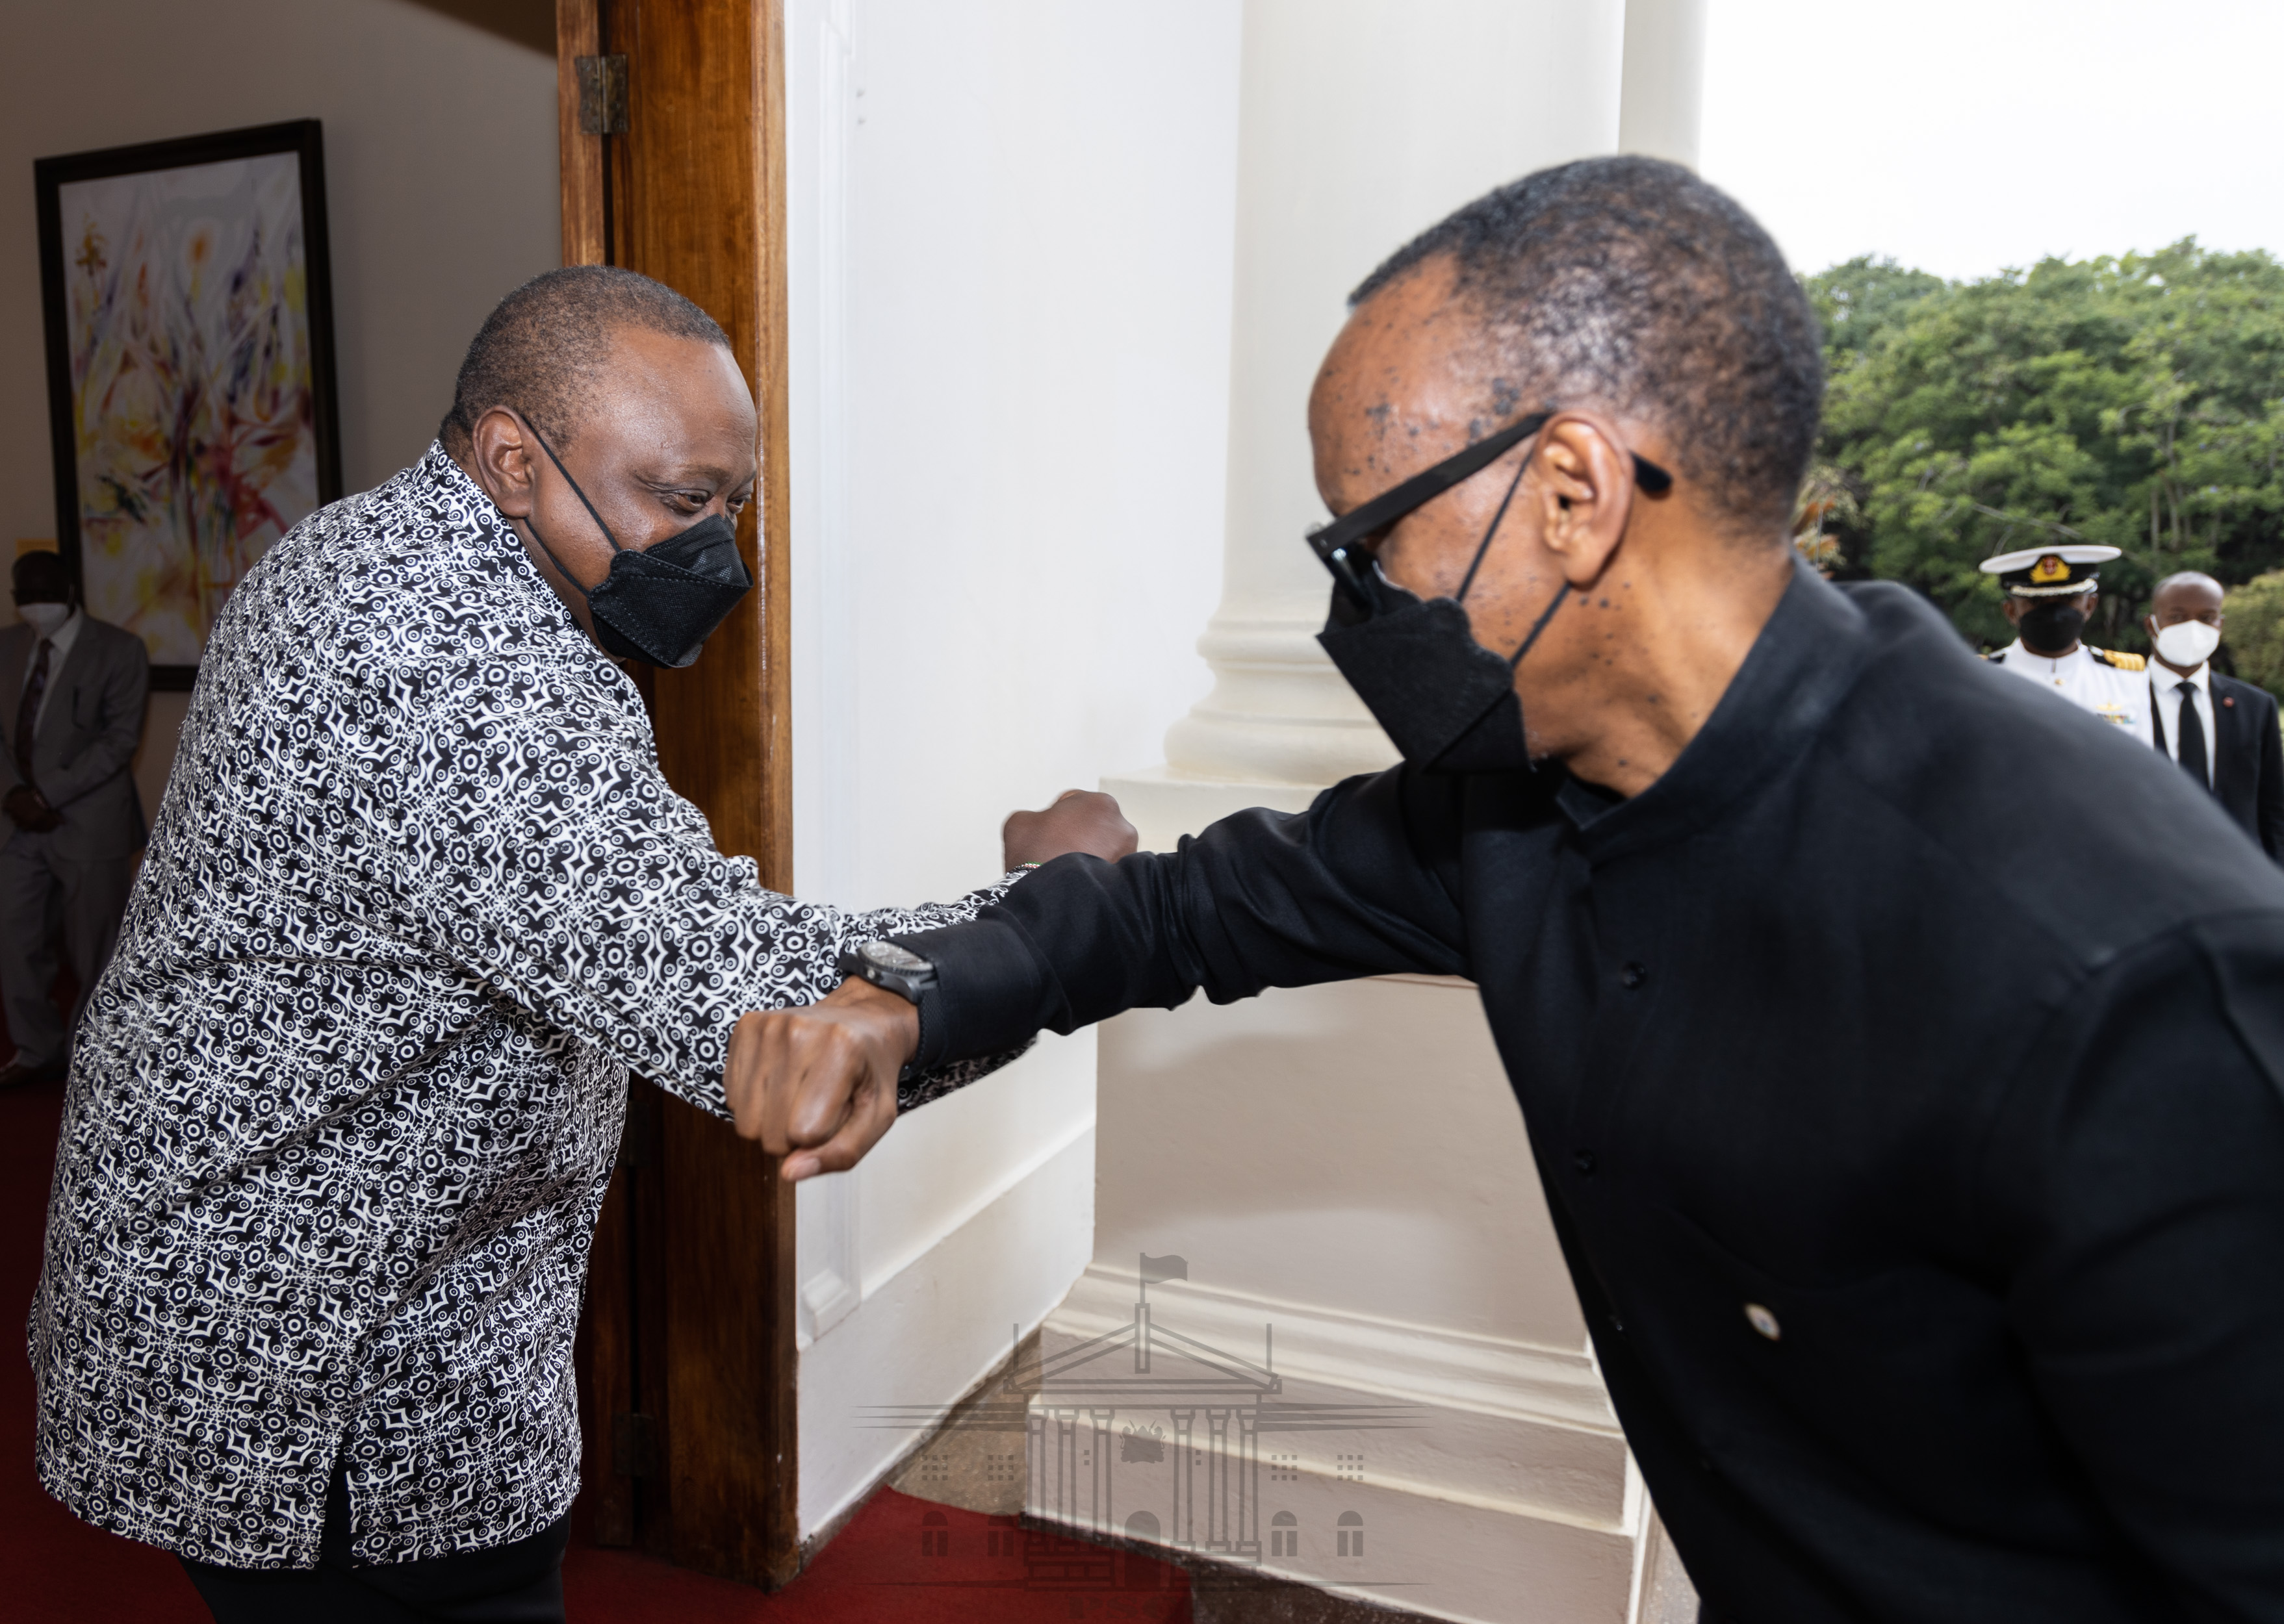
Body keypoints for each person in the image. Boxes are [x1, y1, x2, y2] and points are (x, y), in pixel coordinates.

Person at [735, 159, 2284, 1622]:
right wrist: (903, 1003)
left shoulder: (2125, 979)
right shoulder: (1514, 807)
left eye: (1368, 547)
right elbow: (1183, 907)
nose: (1352, 614)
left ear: (1570, 493)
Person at [28, 266, 1134, 1623]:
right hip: (325, 1368)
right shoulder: (448, 661)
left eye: (733, 504)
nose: (717, 549)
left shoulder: (371, 547)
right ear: (513, 459)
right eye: (680, 498)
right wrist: (1059, 899)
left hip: (271, 1280)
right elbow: (757, 1006)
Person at [0, 549, 147, 1089]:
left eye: (45, 593)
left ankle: (93, 1057)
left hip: (88, 823)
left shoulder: (119, 649)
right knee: (15, 942)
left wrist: (45, 796)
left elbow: (119, 740)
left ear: (68, 591)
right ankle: (34, 1050)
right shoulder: (6, 646)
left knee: (95, 951)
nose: (36, 604)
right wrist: (15, 794)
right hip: (16, 823)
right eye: (26, 595)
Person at [2143, 568, 2284, 860]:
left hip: (2238, 869)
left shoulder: (2256, 706)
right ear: (2152, 624)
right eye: (2177, 617)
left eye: (2206, 618)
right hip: (2147, 866)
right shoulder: (2118, 699)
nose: (2192, 628)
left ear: (2220, 624)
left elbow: (2274, 806)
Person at [1979, 544, 2151, 741]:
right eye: (2036, 602)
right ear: (2011, 611)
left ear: (2090, 605)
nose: (2055, 613)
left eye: (2068, 599)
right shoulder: (1979, 680)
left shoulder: (2126, 679)